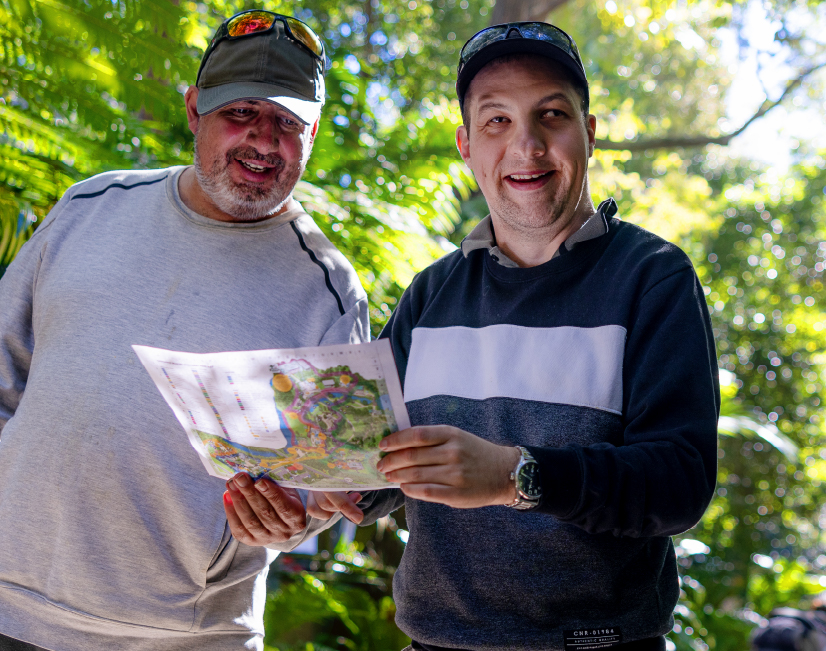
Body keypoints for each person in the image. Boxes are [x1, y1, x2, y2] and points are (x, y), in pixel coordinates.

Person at [0, 10, 367, 651]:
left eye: (287, 123)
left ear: (311, 133)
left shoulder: (327, 288)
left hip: (188, 637)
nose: (263, 140)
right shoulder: (90, 207)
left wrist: (288, 522)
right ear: (193, 110)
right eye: (241, 113)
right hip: (7, 610)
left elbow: (327, 493)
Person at [239, 21, 720, 650]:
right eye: (497, 121)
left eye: (551, 114)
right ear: (466, 145)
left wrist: (515, 475)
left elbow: (678, 485)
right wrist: (334, 488)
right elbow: (381, 460)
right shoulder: (432, 293)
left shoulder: (653, 278)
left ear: (589, 133)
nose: (527, 145)